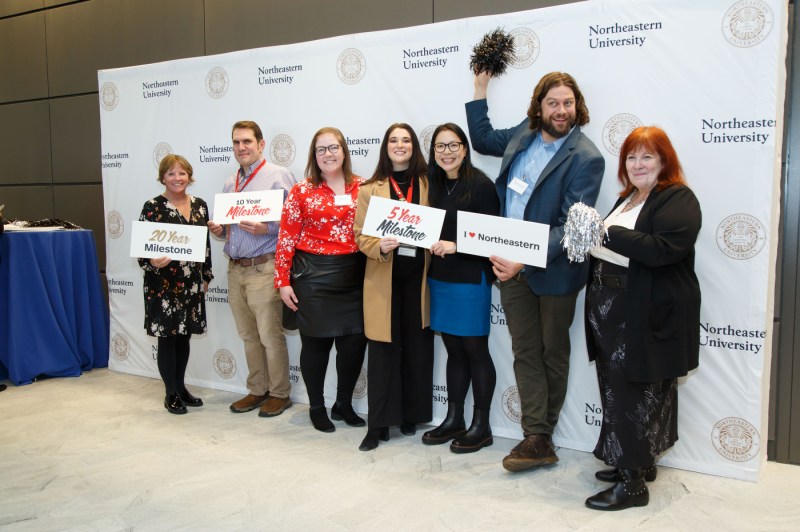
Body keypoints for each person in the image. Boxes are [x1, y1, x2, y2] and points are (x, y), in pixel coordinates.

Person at [466, 72, 605, 469]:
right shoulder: (522, 135)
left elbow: (570, 226)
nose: (561, 111)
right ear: (539, 107)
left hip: (553, 272)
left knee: (552, 352)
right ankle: (536, 436)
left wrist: (524, 258)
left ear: (577, 106)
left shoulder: (586, 158)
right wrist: (479, 89)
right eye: (553, 103)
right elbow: (482, 139)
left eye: (568, 103)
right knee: (524, 350)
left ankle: (541, 434)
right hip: (509, 268)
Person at [583, 126, 701, 511]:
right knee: (616, 389)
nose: (638, 164)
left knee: (633, 392)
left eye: (647, 156)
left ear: (664, 161)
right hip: (610, 309)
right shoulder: (628, 198)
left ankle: (632, 486)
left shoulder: (677, 198)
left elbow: (664, 249)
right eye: (631, 157)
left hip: (642, 312)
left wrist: (606, 231)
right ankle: (632, 461)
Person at [275, 127, 368, 433]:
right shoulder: (302, 191)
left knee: (353, 345)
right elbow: (286, 237)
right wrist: (283, 281)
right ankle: (317, 406)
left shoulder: (364, 187)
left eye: (333, 148)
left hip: (355, 276)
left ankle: (343, 404)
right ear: (314, 156)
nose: (328, 154)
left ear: (344, 150)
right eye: (321, 149)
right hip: (312, 278)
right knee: (316, 347)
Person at [353, 123, 434, 451]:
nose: (400, 145)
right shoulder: (370, 188)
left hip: (419, 281)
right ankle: (378, 425)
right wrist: (379, 246)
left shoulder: (428, 183)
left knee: (417, 350)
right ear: (385, 147)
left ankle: (411, 415)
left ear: (414, 146)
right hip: (383, 280)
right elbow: (360, 235)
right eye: (393, 140)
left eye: (405, 140)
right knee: (383, 352)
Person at [420, 123, 500, 454]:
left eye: (453, 145)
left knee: (475, 351)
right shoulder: (432, 185)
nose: (447, 152)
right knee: (454, 350)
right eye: (440, 146)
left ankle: (481, 426)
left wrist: (456, 246)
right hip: (440, 278)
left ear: (465, 149)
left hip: (471, 278)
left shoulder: (481, 185)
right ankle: (454, 417)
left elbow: (494, 236)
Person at [207, 121, 296, 418]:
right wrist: (219, 230)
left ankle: (280, 394)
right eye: (236, 142)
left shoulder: (277, 176)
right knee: (248, 336)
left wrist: (266, 228)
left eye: (247, 141)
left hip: (264, 267)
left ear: (261, 144)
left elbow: (294, 222)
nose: (241, 147)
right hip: (235, 270)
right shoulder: (230, 182)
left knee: (270, 336)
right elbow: (226, 231)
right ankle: (257, 389)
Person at [138, 154, 213, 415]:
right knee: (167, 339)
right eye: (171, 173)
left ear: (189, 176)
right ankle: (170, 393)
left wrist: (206, 276)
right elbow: (143, 249)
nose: (177, 178)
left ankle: (181, 388)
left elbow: (205, 245)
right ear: (163, 178)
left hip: (191, 282)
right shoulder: (152, 207)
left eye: (182, 173)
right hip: (162, 284)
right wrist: (151, 261)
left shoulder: (200, 206)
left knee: (184, 336)